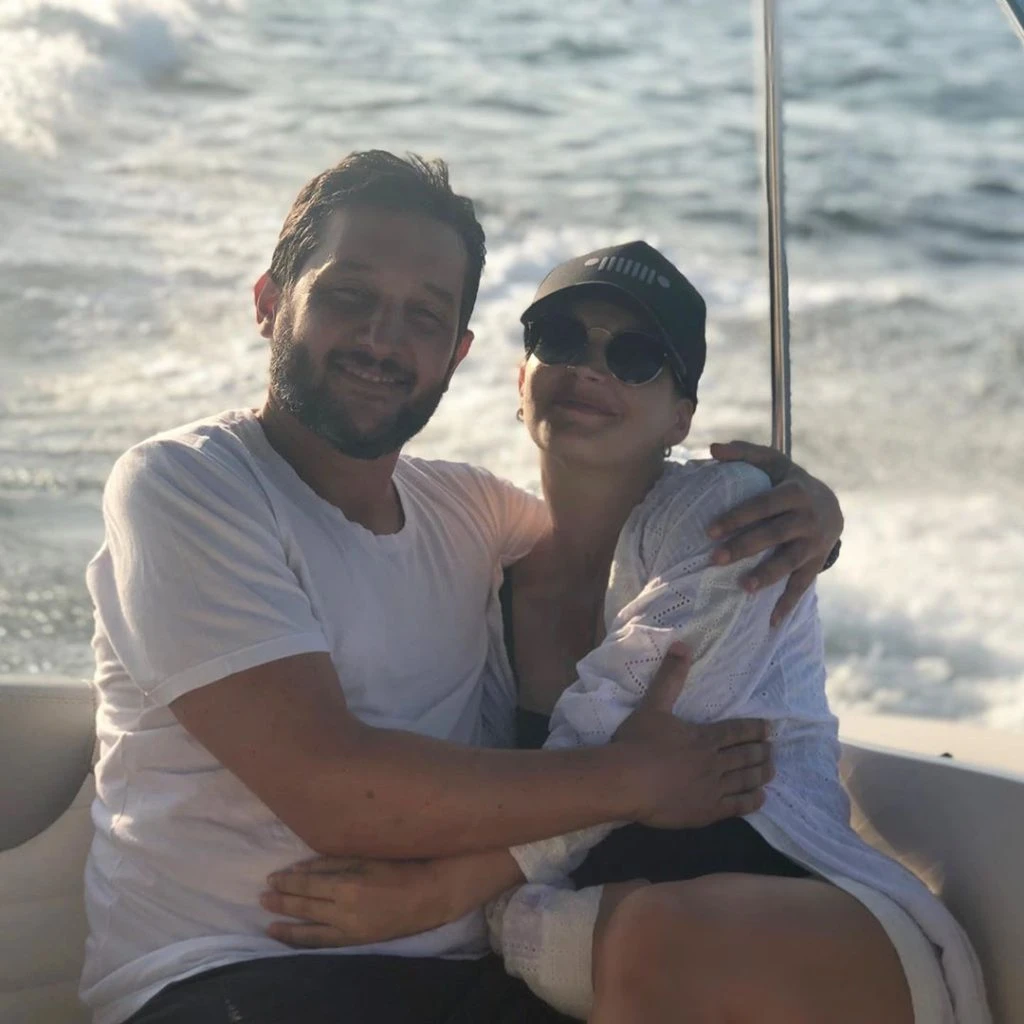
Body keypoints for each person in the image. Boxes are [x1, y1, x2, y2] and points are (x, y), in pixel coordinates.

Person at [82, 151, 843, 1024]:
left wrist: (807, 514)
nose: (381, 340)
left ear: (457, 354)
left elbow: (629, 542)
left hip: (476, 979)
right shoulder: (187, 485)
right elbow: (335, 791)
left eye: (424, 316)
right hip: (231, 976)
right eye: (348, 296)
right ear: (268, 302)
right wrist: (636, 779)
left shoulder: (468, 514)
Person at [259, 242, 992, 1024]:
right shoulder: (482, 563)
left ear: (682, 417)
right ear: (520, 379)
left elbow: (609, 735)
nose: (589, 369)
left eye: (636, 356)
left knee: (653, 936)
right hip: (604, 950)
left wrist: (442, 893)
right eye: (561, 341)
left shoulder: (734, 513)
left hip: (811, 934)